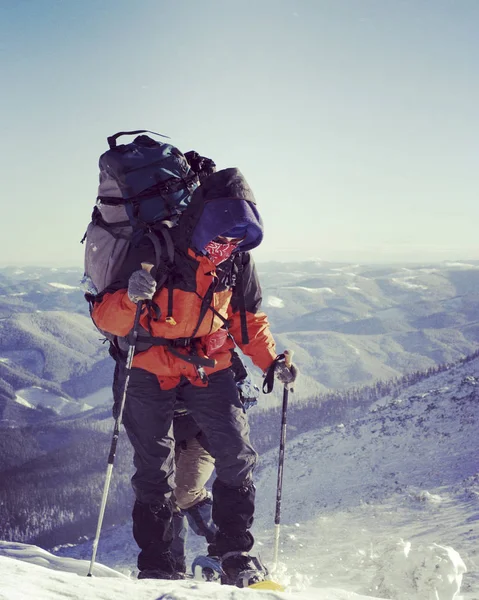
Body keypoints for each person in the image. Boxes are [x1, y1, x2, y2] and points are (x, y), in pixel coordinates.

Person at [91, 167, 298, 585]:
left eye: (236, 239)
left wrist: (271, 360)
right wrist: (131, 297)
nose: (227, 246)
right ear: (203, 222)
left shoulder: (236, 258)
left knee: (237, 456)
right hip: (149, 367)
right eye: (222, 237)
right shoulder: (154, 247)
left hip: (210, 365)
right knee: (154, 470)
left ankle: (233, 552)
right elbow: (105, 317)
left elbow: (248, 320)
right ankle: (159, 564)